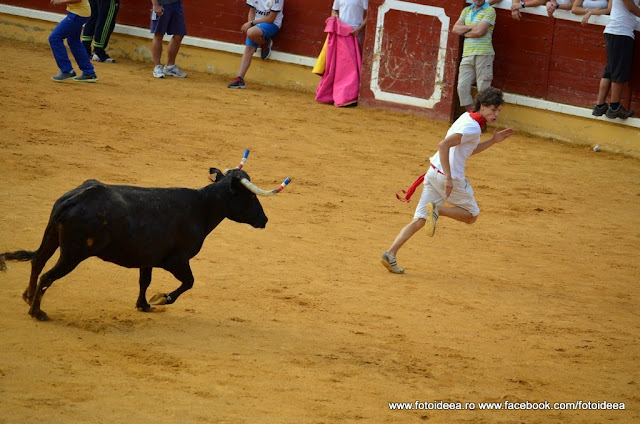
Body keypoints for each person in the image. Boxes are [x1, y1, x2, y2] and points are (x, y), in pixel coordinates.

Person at [381, 88, 514, 274]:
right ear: (482, 106)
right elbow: (443, 145)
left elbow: (468, 150)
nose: (496, 114)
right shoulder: (473, 127)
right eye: (493, 109)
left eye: (498, 110)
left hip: (433, 172)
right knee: (471, 215)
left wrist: (493, 140)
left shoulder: (468, 117)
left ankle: (391, 253)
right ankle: (438, 210)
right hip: (448, 177)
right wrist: (449, 178)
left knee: (420, 219)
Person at [592, 0, 639, 119]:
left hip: (617, 31)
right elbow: (631, 7)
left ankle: (600, 105)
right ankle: (614, 107)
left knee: (610, 70)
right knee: (618, 70)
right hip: (620, 32)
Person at [227, 0, 285, 89]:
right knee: (249, 48)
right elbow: (251, 11)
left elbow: (271, 19)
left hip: (272, 25)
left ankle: (264, 42)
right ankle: (240, 79)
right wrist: (251, 25)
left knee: (250, 33)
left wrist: (251, 24)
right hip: (256, 25)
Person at [452, 0, 497, 112]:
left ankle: (482, 118)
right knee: (462, 87)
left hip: (484, 54)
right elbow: (455, 29)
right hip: (467, 54)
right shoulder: (466, 10)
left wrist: (464, 32)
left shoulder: (490, 10)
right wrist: (472, 26)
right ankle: (473, 114)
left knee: (484, 90)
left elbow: (480, 31)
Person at [48, 0, 98, 82]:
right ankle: (89, 72)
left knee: (54, 38)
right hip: (78, 13)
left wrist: (60, 2)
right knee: (74, 42)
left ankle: (67, 70)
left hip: (77, 14)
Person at [151, 0, 187, 78]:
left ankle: (170, 67)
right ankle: (157, 66)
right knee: (158, 34)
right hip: (161, 4)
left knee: (179, 34)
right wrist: (155, 5)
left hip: (176, 4)